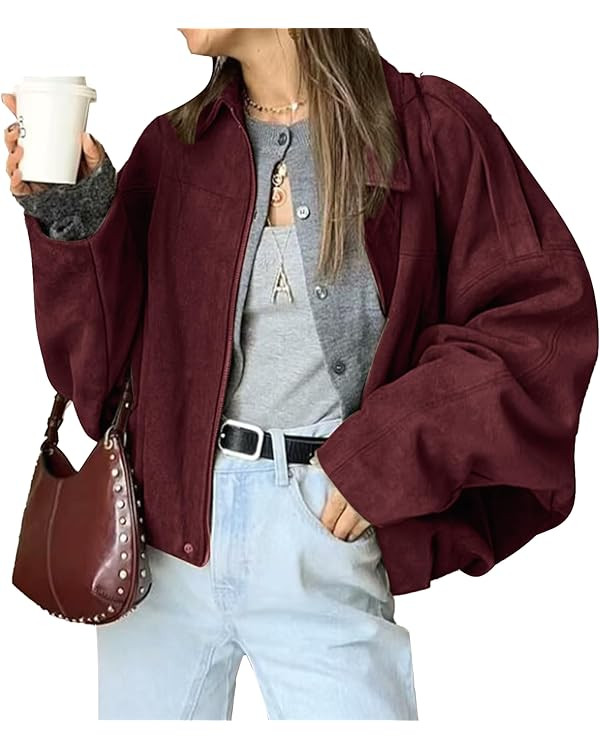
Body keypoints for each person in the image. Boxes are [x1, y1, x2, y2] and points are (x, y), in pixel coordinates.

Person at [3, 29, 597, 720]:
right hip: (160, 539)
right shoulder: (175, 146)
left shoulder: (428, 129)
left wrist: (384, 454)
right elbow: (100, 378)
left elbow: (537, 324)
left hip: (321, 527)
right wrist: (74, 211)